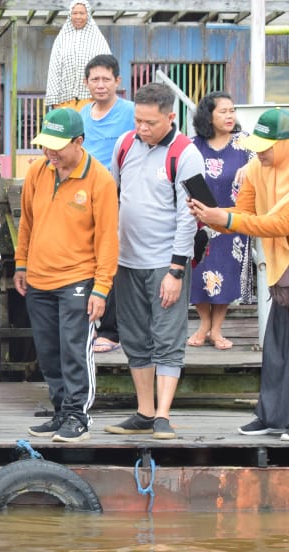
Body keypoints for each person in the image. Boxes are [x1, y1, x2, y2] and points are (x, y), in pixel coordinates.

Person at [103, 82, 204, 441]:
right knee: (135, 336)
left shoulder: (185, 153)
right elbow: (112, 196)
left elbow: (188, 215)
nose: (142, 128)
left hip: (165, 260)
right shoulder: (125, 144)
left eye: (150, 122)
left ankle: (163, 413)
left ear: (170, 117)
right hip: (127, 259)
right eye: (138, 120)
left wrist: (176, 269)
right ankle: (144, 410)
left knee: (167, 335)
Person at [13, 108, 119, 443]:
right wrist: (21, 263)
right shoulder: (38, 172)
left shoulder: (99, 179)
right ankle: (61, 410)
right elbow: (26, 221)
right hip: (39, 278)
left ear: (79, 142)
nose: (50, 152)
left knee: (75, 349)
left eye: (58, 146)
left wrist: (101, 288)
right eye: (46, 144)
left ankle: (78, 415)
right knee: (48, 351)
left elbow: (107, 238)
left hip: (78, 277)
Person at [188, 108, 289, 440]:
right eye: (257, 144)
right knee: (276, 350)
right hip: (281, 271)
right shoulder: (257, 167)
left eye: (267, 145)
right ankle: (270, 416)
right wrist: (210, 215)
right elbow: (243, 213)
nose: (259, 151)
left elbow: (278, 223)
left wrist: (225, 219)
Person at [186, 91, 255, 351]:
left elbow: (269, 159)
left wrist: (253, 165)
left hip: (234, 221)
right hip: (200, 221)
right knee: (199, 271)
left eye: (232, 110)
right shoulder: (193, 145)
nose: (230, 116)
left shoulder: (246, 143)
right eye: (223, 111)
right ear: (208, 115)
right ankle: (204, 323)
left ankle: (217, 329)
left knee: (227, 271)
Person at [80, 54, 134, 353]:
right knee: (91, 261)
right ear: (86, 83)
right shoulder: (83, 115)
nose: (100, 85)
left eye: (106, 79)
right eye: (94, 79)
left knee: (112, 260)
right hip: (85, 200)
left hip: (119, 197)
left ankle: (112, 330)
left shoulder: (130, 113)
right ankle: (93, 325)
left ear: (117, 81)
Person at [44, 1, 111, 111]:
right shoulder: (62, 39)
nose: (78, 17)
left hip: (91, 100)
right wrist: (54, 100)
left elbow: (108, 68)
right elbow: (54, 71)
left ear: (88, 15)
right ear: (70, 15)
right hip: (65, 100)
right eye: (74, 13)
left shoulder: (97, 39)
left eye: (82, 13)